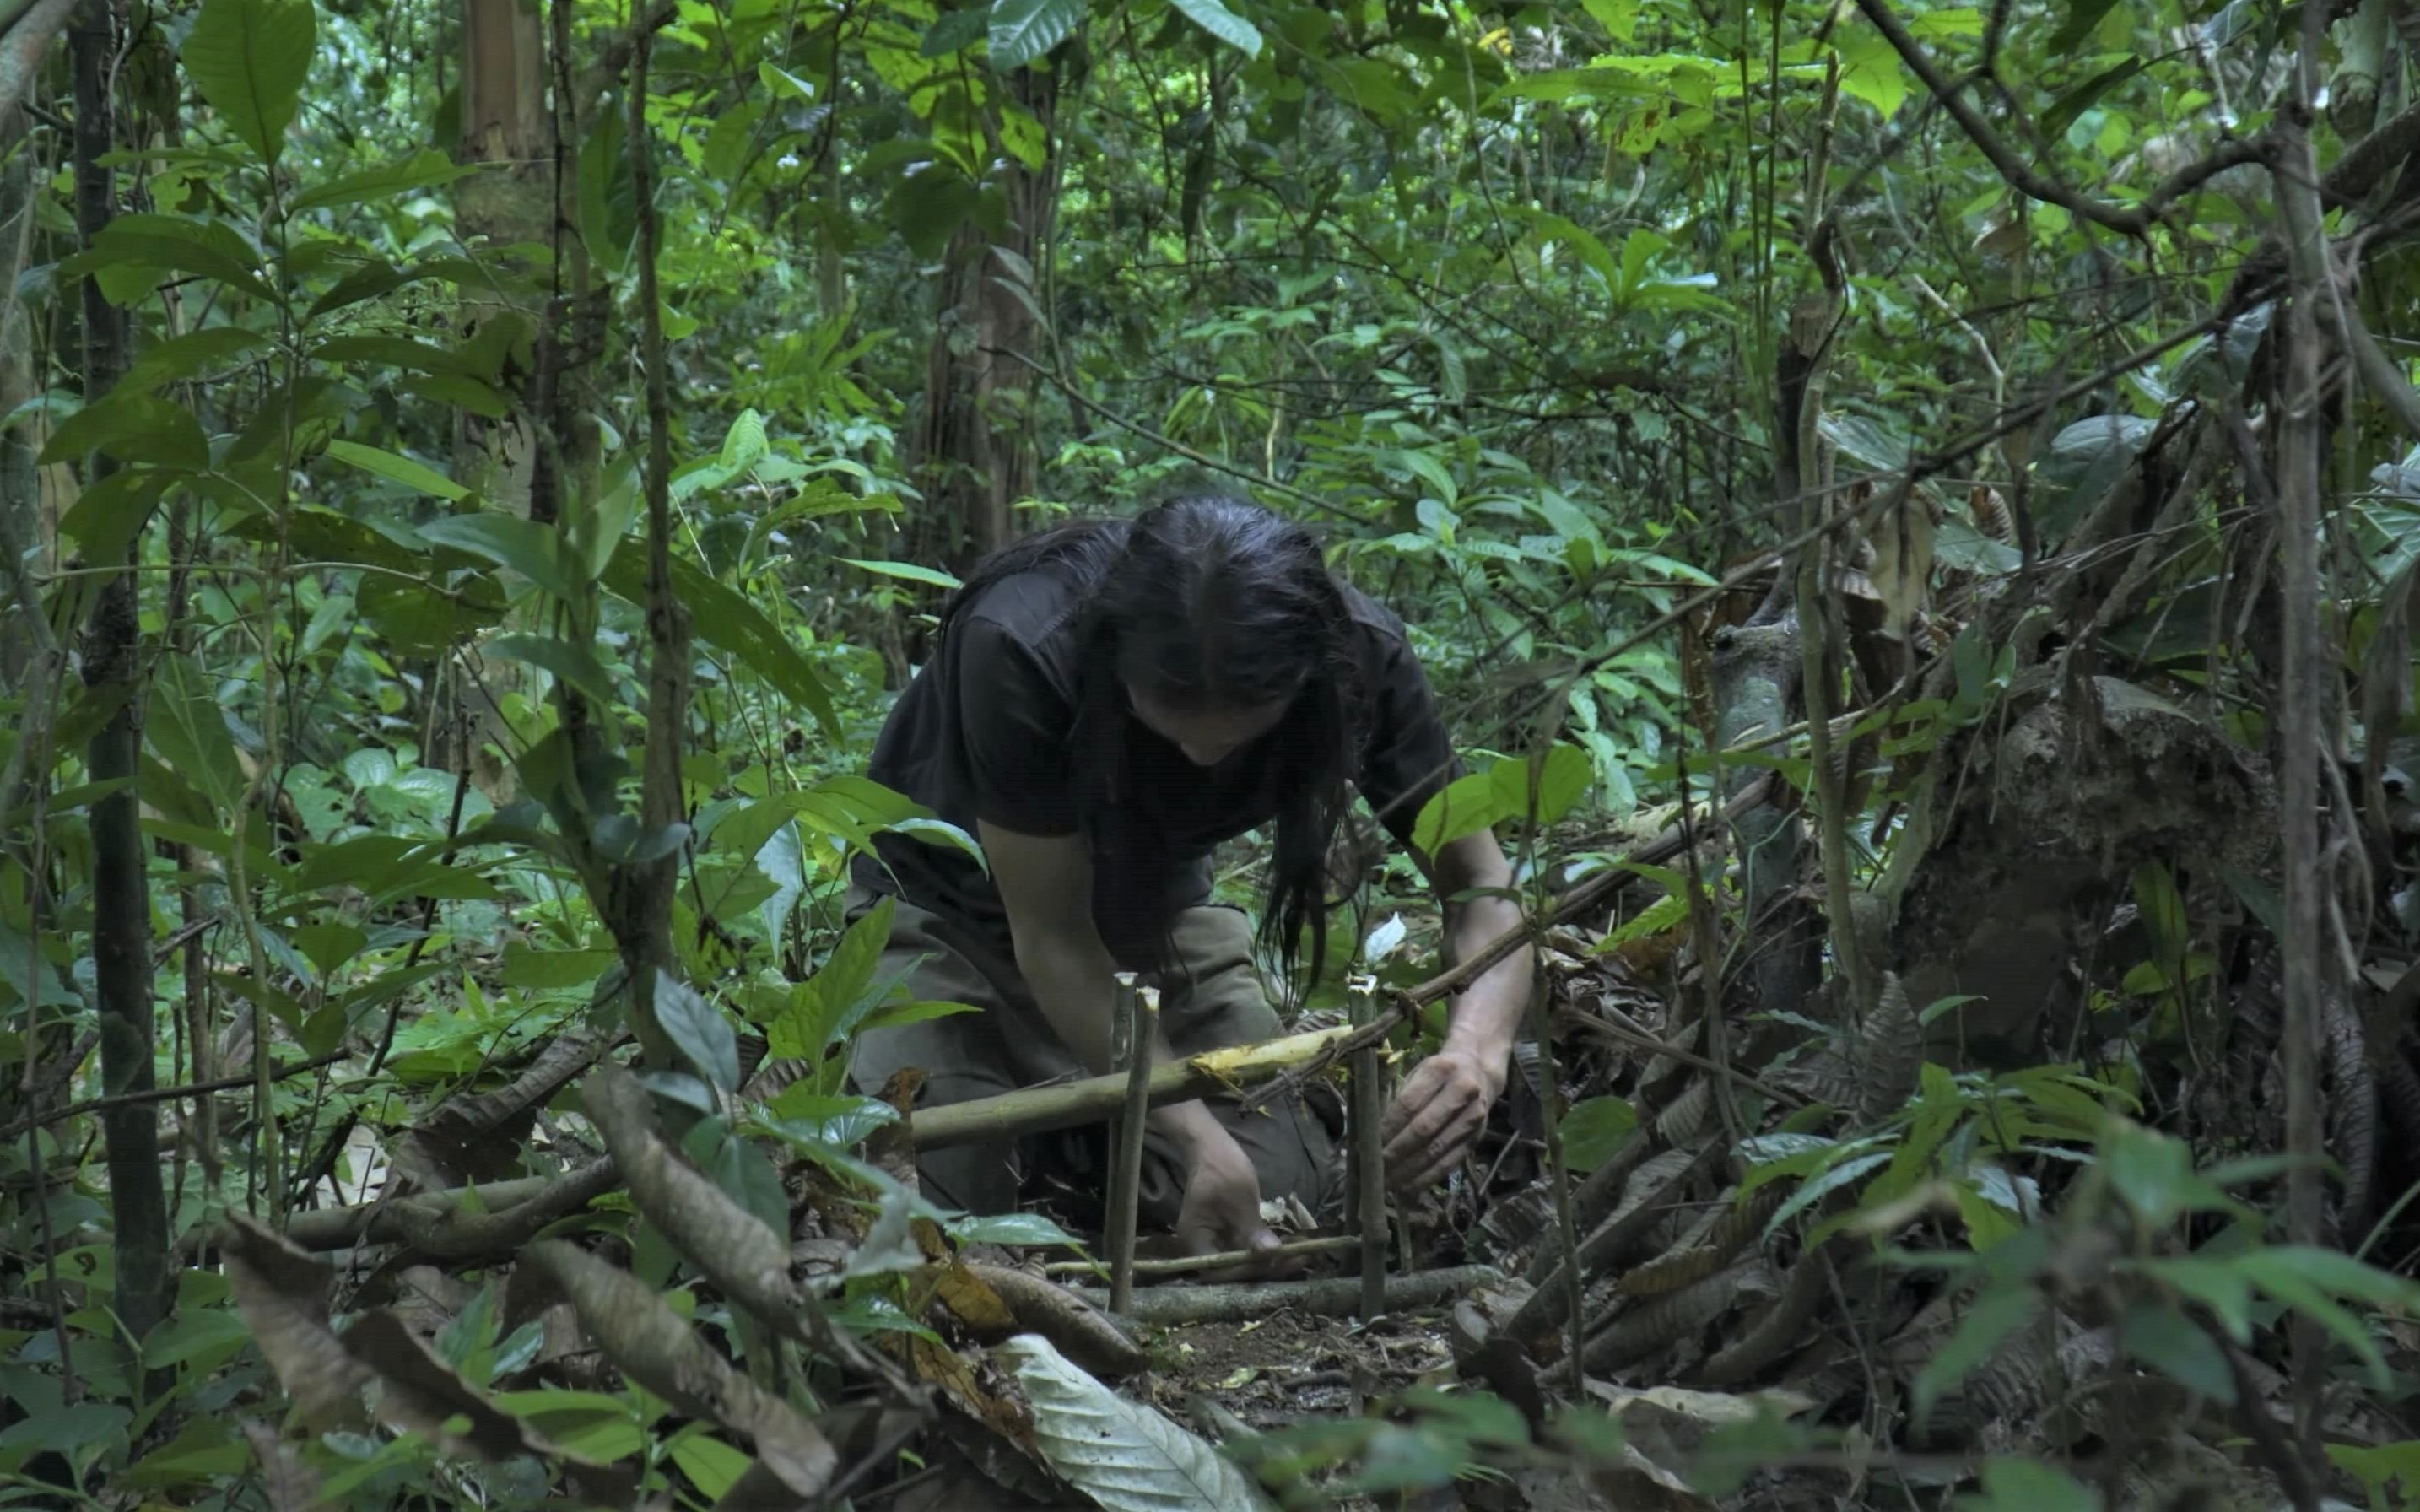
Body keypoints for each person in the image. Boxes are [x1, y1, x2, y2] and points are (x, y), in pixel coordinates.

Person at [845, 494, 1533, 1261]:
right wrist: (1195, 1132)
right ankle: (1060, 1125)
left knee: (1281, 1197)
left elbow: (1484, 889)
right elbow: (1053, 937)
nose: (1204, 757)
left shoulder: (1359, 657)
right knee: (937, 1210)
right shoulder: (1021, 643)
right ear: (1112, 655)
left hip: (1152, 918)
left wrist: (1476, 1052)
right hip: (951, 917)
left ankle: (1075, 1128)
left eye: (1249, 718)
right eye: (1167, 716)